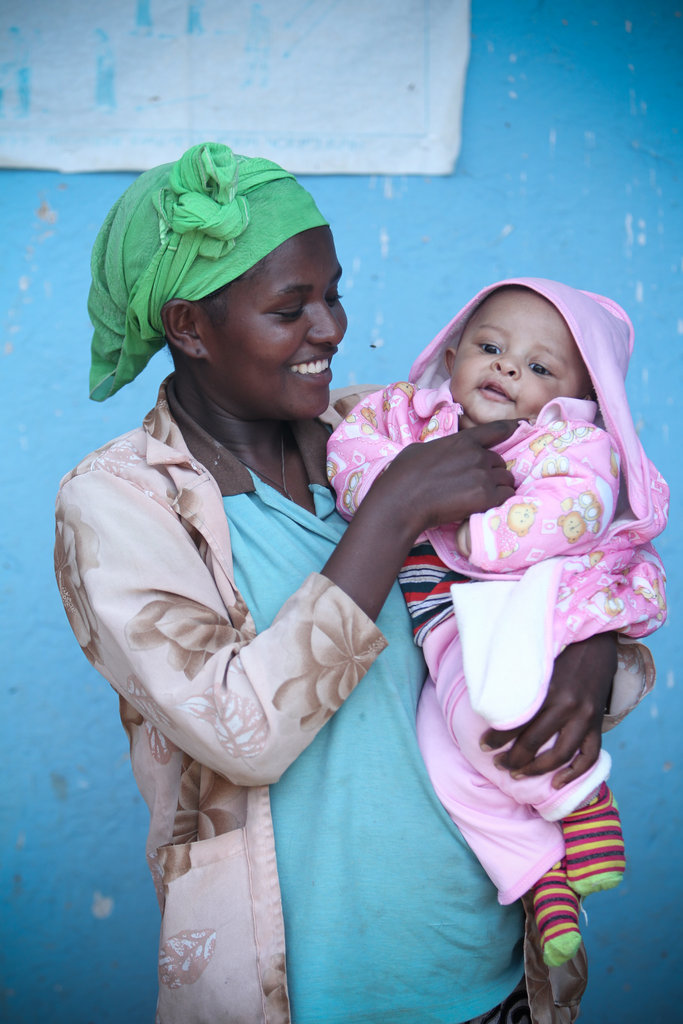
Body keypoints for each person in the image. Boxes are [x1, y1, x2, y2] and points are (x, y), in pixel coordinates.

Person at [53, 142, 657, 1024]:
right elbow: (242, 734)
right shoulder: (121, 503)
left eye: (332, 294)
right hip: (303, 998)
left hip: (495, 976)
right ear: (188, 326)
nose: (330, 328)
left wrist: (594, 651)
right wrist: (391, 513)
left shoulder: (395, 424)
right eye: (290, 308)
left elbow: (580, 540)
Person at [326, 280, 668, 967]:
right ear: (450, 354)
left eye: (540, 367)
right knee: (442, 762)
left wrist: (469, 527)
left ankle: (578, 799)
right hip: (443, 620)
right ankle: (538, 876)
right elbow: (351, 456)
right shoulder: (400, 414)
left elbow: (572, 509)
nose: (509, 368)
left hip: (513, 605)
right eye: (490, 347)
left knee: (485, 716)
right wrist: (398, 489)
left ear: (578, 396)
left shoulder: (568, 442)